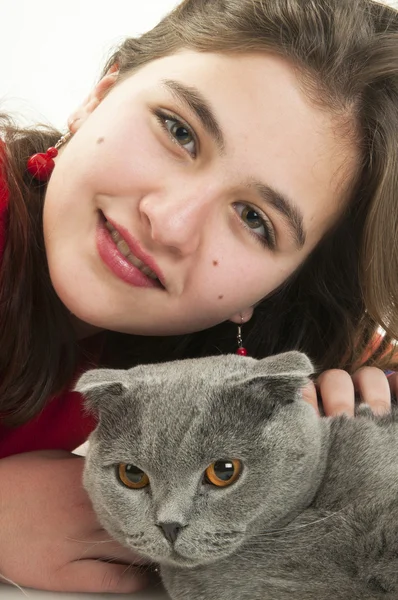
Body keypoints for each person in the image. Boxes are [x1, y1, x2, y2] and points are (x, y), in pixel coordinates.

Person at [0, 0, 398, 594]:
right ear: (97, 100)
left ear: (273, 290)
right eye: (179, 130)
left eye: (254, 219)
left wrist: (357, 404)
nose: (170, 222)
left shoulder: (207, 354)